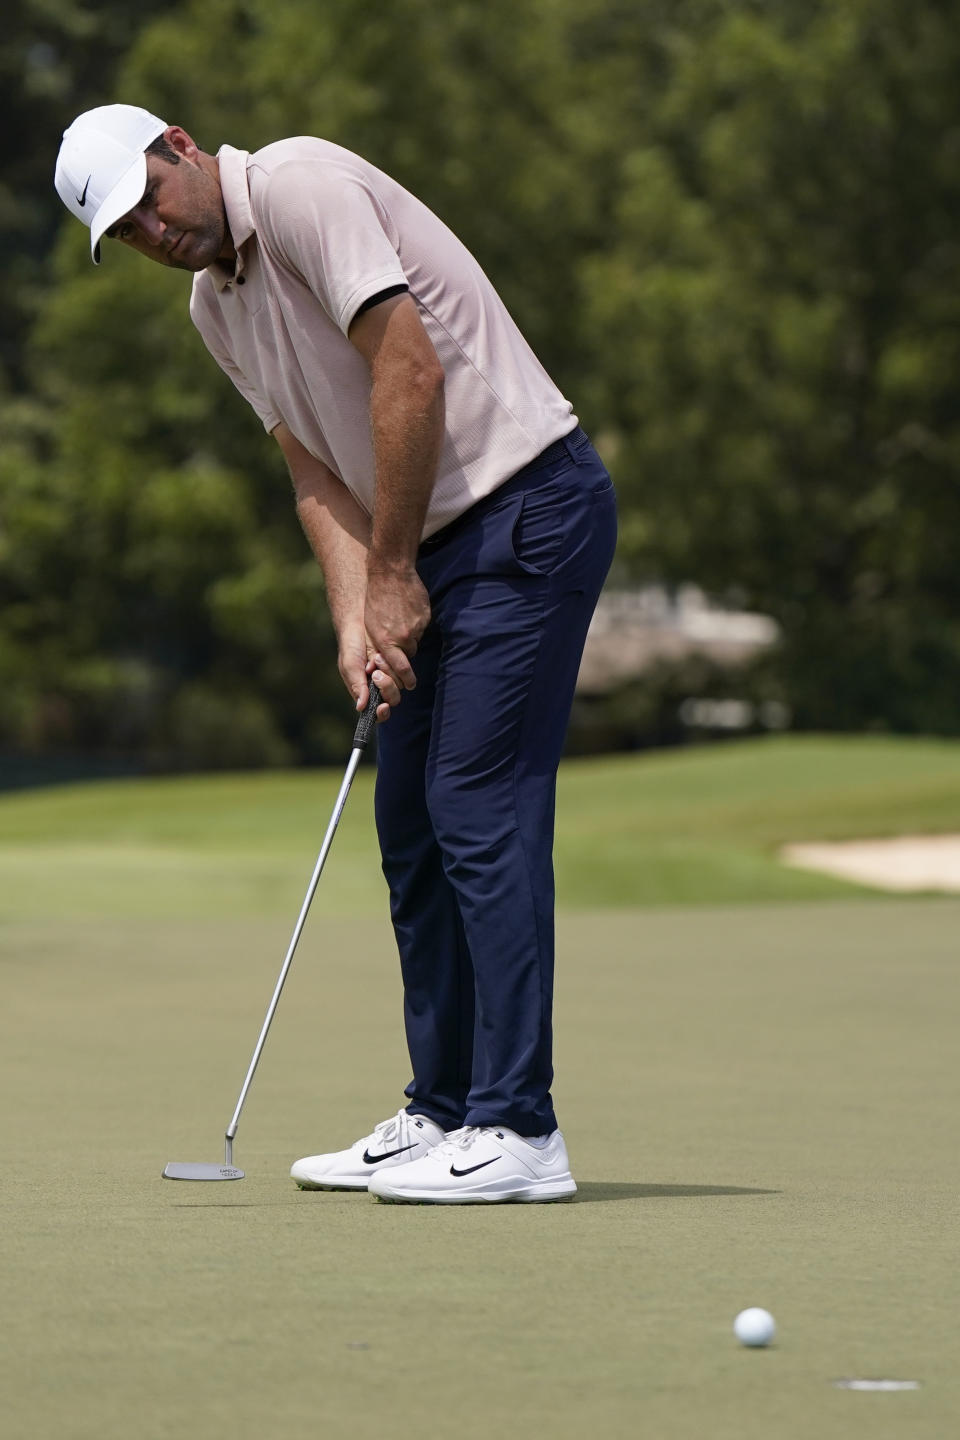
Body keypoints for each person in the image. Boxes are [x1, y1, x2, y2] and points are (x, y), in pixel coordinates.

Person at [55, 104, 617, 1204]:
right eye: (126, 234)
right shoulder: (213, 309)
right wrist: (357, 617)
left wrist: (397, 571)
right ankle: (444, 1108)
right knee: (408, 823)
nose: (153, 234)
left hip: (525, 513)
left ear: (179, 145)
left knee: (474, 804)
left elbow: (408, 372)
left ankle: (521, 1127)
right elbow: (314, 470)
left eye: (149, 204)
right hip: (433, 541)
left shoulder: (303, 186)